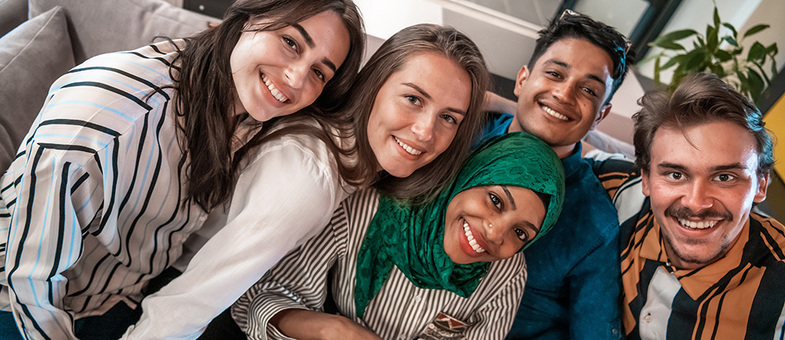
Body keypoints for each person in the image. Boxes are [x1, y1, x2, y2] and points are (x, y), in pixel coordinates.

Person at [0, 1, 366, 338]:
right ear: (248, 19)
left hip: (120, 293)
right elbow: (29, 280)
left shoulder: (248, 111)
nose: (297, 78)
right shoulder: (106, 122)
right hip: (27, 309)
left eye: (320, 72)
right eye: (290, 42)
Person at [123, 23, 491, 338]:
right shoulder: (309, 177)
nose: (426, 131)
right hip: (175, 303)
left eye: (449, 118)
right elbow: (190, 301)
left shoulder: (354, 156)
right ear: (375, 85)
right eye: (413, 99)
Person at [230, 132, 565, 340]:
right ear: (469, 175)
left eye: (520, 232)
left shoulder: (506, 274)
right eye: (494, 200)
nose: (495, 232)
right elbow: (263, 298)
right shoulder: (369, 208)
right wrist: (334, 331)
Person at [593, 73, 785, 339]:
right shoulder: (617, 191)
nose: (696, 203)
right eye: (675, 174)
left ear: (760, 186)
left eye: (724, 177)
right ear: (645, 178)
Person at [480, 9, 632, 339]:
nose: (564, 94)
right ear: (522, 80)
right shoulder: (458, 137)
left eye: (589, 90)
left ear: (600, 117)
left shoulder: (593, 223)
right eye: (555, 74)